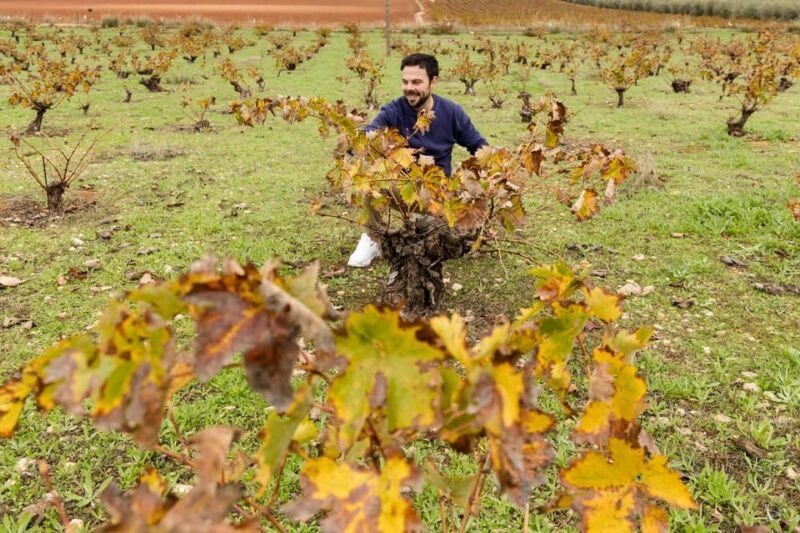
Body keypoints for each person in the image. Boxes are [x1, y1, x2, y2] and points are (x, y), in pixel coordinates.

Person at [348, 53, 488, 267]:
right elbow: (369, 134)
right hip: (403, 192)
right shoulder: (392, 111)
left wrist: (492, 175)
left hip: (440, 196)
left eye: (416, 82)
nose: (409, 88)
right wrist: (357, 141)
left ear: (433, 82)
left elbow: (479, 146)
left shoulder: (452, 113)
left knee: (461, 228)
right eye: (405, 82)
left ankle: (435, 226)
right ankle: (373, 238)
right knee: (371, 178)